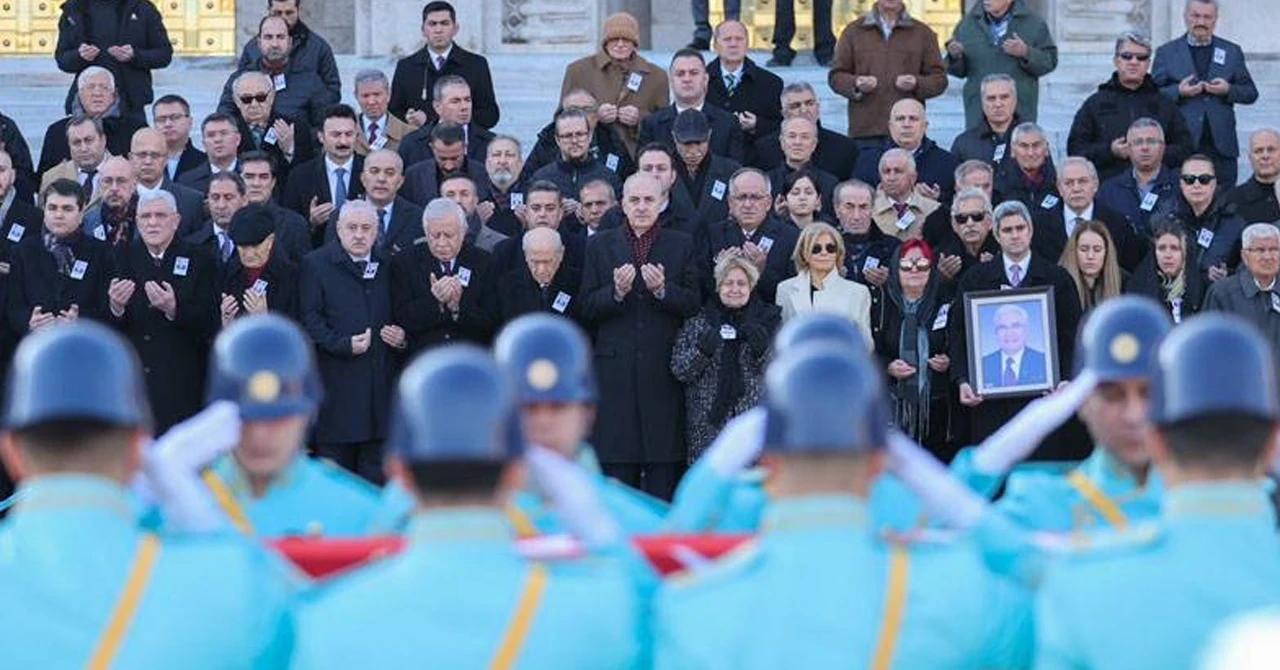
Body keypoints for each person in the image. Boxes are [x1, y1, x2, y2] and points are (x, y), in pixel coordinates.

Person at [654, 342, 1032, 669]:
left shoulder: (693, 610)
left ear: (766, 460)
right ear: (881, 461)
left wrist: (714, 469)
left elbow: (669, 550)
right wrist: (941, 486)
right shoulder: (957, 594)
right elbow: (1041, 581)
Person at [289, 345, 646, 668]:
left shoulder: (328, 619)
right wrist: (606, 537)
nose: (544, 421)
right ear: (516, 472)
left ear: (400, 474)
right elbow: (664, 623)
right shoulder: (599, 609)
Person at [0, 323, 294, 667]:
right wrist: (209, 530)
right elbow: (315, 631)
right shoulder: (226, 578)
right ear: (139, 450)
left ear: (10, 451)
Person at [1035, 315, 1280, 668]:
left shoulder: (1080, 583)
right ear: (1273, 444)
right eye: (1114, 395)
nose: (1132, 415)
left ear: (1156, 441)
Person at [992, 296, 1169, 535]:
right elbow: (931, 542)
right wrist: (989, 460)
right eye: (1113, 395)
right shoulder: (1041, 504)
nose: (1134, 416)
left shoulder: (1209, 501)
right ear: (1081, 401)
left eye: (1149, 393)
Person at [201, 314, 381, 536]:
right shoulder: (185, 504)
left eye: (278, 419)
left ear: (309, 413)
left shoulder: (363, 516)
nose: (259, 435)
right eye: (245, 419)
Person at [579, 174, 699, 500]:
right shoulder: (599, 245)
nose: (642, 207)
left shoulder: (681, 243)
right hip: (615, 372)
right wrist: (615, 293)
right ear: (623, 204)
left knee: (663, 467)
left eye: (649, 200)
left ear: (662, 203)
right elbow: (586, 305)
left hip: (662, 369)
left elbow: (694, 303)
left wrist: (663, 290)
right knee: (617, 474)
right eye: (635, 200)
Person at [498, 313, 670, 533]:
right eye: (528, 408)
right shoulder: (477, 524)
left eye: (558, 407)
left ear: (588, 414)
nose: (543, 421)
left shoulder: (641, 522)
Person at [949, 200, 1082, 451]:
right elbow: (958, 335)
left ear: (1030, 231)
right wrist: (963, 379)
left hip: (1042, 400)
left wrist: (1065, 378)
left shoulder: (1058, 279)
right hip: (990, 405)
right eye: (1007, 230)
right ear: (996, 235)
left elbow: (1071, 337)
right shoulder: (975, 279)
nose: (1015, 235)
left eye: (1020, 228)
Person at [300, 200, 404, 484]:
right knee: (336, 481)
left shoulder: (388, 263)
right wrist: (342, 344)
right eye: (352, 228)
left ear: (377, 231)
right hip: (336, 389)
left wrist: (402, 336)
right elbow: (310, 318)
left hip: (380, 391)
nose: (359, 235)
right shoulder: (316, 264)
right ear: (338, 230)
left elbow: (403, 310)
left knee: (377, 480)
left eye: (366, 228)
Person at [106, 190, 218, 434]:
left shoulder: (200, 258)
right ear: (137, 221)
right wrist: (116, 307)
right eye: (145, 216)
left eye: (160, 215)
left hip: (182, 381)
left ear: (176, 221)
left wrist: (174, 309)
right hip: (135, 382)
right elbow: (104, 326)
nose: (153, 222)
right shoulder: (119, 257)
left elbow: (211, 320)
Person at [672, 255, 781, 461]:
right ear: (718, 286)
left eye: (741, 283)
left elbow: (779, 374)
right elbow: (679, 370)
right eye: (728, 283)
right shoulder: (699, 322)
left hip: (751, 428)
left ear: (751, 286)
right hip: (707, 428)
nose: (735, 289)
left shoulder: (768, 321)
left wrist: (761, 352)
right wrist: (702, 352)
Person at [1152, 0, 1258, 188]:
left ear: (1215, 19)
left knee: (1224, 204)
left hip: (1221, 149)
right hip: (1181, 145)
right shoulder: (1166, 52)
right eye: (1196, 15)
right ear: (1185, 17)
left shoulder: (1231, 51)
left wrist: (1228, 90)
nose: (1201, 21)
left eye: (1207, 17)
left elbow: (1250, 93)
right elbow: (1152, 96)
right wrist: (1178, 91)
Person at [1067, 31, 1194, 180]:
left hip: (1158, 190)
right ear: (1116, 61)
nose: (1134, 62)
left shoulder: (1165, 103)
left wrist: (1154, 152)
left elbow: (1186, 149)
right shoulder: (1095, 104)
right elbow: (1075, 150)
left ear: (1148, 64)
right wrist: (1110, 151)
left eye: (1141, 58)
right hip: (1108, 189)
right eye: (1127, 56)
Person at [873, 239, 955, 457]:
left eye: (922, 265)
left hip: (936, 407)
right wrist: (888, 367)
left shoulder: (946, 302)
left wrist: (948, 361)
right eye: (907, 265)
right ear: (895, 268)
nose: (914, 270)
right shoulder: (881, 304)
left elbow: (958, 345)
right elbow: (871, 352)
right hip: (892, 408)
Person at [828, 0, 948, 145]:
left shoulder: (922, 33)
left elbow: (939, 79)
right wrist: (856, 84)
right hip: (865, 131)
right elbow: (836, 76)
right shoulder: (854, 31)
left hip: (907, 132)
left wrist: (916, 83)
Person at [390, 198, 496, 354]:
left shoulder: (483, 262)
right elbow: (402, 318)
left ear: (463, 232)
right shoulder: (405, 262)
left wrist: (457, 308)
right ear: (425, 233)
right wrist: (435, 301)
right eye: (435, 235)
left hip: (470, 358)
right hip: (423, 360)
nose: (442, 243)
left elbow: (491, 322)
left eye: (449, 235)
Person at [9, 179, 112, 336]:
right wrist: (29, 322)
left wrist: (81, 321)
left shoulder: (100, 252)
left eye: (67, 209)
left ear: (81, 212)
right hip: (35, 346)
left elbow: (106, 308)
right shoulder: (23, 251)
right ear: (43, 210)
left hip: (83, 344)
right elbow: (12, 305)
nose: (58, 215)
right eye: (52, 208)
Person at [560, 12, 669, 156]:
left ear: (635, 43)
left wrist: (640, 118)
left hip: (640, 157)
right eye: (614, 39)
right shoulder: (578, 71)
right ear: (605, 42)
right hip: (593, 157)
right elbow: (561, 118)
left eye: (626, 39)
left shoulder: (656, 76)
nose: (620, 44)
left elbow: (666, 122)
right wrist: (594, 116)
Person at [944, 0, 1057, 128]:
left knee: (1018, 145)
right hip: (978, 112)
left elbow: (1049, 61)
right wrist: (955, 56)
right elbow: (959, 71)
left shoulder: (1034, 24)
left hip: (1019, 111)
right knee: (976, 147)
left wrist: (1026, 52)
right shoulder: (967, 25)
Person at [389, 1, 499, 130]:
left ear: (455, 28)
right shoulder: (406, 67)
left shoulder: (476, 64)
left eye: (444, 23)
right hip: (419, 144)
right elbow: (394, 112)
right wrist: (409, 118)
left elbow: (490, 115)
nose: (438, 30)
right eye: (432, 24)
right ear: (423, 30)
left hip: (463, 144)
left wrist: (438, 121)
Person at [54, 0, 171, 116]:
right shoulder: (74, 8)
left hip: (130, 103)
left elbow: (164, 54)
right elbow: (62, 59)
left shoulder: (142, 7)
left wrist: (135, 55)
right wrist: (79, 56)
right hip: (87, 107)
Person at [702, 167, 799, 303]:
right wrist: (720, 271)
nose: (748, 204)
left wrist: (761, 271)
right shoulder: (713, 234)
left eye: (756, 197)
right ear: (730, 202)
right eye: (741, 197)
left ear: (768, 202)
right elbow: (701, 289)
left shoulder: (791, 237)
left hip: (772, 318)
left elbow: (792, 294)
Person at [1032, 155, 1144, 272]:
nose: (1076, 188)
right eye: (1069, 183)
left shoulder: (1117, 224)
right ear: (1059, 188)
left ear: (1095, 185)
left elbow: (1129, 268)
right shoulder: (1040, 226)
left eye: (1083, 181)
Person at [217, 16, 332, 127]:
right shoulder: (239, 79)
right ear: (259, 43)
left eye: (280, 37)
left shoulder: (310, 81)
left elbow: (325, 126)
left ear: (290, 42)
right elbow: (223, 121)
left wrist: (298, 138)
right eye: (268, 37)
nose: (274, 44)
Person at [1203, 223, 1280, 384]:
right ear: (1245, 256)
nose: (1267, 256)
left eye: (1274, 250)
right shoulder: (1222, 294)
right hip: (1240, 392)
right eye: (1259, 250)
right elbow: (1210, 350)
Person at [640, 49, 745, 165]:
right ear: (671, 80)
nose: (687, 79)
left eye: (694, 73)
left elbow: (735, 171)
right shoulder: (652, 125)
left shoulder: (728, 123)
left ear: (705, 79)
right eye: (680, 74)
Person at [281, 104, 366, 248]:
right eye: (336, 135)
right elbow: (288, 226)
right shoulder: (300, 175)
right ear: (321, 137)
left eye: (349, 134)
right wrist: (311, 222)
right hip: (318, 254)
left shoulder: (370, 169)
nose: (343, 142)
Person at [1153, 153, 1244, 285]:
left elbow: (1246, 272)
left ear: (1214, 183)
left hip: (1215, 300)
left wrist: (1228, 275)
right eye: (1189, 179)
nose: (1196, 185)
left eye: (1204, 179)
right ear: (1181, 184)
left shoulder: (1235, 225)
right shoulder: (1162, 220)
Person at [775, 222, 873, 345]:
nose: (824, 253)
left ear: (838, 253)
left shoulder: (858, 292)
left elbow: (866, 342)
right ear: (804, 254)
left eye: (830, 248)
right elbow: (782, 337)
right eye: (816, 249)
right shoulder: (785, 289)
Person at [39, 68, 147, 177]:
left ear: (113, 94)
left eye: (104, 88)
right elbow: (45, 180)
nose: (97, 93)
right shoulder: (57, 132)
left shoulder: (135, 130)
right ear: (80, 93)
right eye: (90, 87)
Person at [235, 0, 341, 110]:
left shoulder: (318, 48)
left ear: (298, 10)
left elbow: (332, 91)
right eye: (277, 13)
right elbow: (237, 89)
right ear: (269, 11)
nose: (283, 18)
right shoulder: (252, 48)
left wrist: (306, 120)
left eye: (289, 13)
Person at [854, 98, 959, 204]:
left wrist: (936, 200)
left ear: (925, 126)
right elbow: (855, 203)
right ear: (890, 126)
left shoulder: (947, 163)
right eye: (900, 119)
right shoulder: (868, 160)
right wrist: (879, 198)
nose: (906, 124)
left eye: (913, 119)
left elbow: (958, 207)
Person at [324, 149, 423, 255]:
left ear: (400, 181)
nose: (381, 179)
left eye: (390, 173)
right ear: (363, 178)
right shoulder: (341, 215)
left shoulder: (416, 216)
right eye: (374, 171)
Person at [1096, 117, 1184, 238]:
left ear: (1163, 148)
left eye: (1151, 141)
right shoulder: (1109, 190)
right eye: (1138, 142)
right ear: (1128, 149)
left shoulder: (1181, 185)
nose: (1145, 148)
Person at [751, 82, 858, 179]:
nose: (804, 110)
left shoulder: (845, 147)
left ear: (817, 107)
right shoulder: (763, 148)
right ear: (783, 113)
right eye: (795, 106)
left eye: (809, 103)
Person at [524, 89, 634, 182]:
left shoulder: (612, 141)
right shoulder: (548, 141)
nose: (581, 115)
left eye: (587, 110)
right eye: (573, 110)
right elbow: (524, 182)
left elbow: (629, 180)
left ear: (596, 117)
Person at [705, 20, 783, 148]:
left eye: (739, 39)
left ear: (747, 44)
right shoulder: (701, 79)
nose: (733, 44)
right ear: (715, 45)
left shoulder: (771, 83)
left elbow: (782, 126)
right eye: (727, 39)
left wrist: (757, 125)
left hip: (755, 158)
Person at [227, 70, 315, 182]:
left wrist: (289, 150)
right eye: (246, 99)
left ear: (272, 96)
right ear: (236, 101)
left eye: (261, 97)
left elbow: (308, 172)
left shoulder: (295, 126)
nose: (254, 104)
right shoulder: (228, 130)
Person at [219, 202, 300, 323]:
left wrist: (265, 320)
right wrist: (226, 324)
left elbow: (298, 333)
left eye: (256, 246)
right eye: (243, 246)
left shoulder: (292, 277)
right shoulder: (226, 273)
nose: (249, 254)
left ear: (270, 241)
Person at [397, 75, 495, 167]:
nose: (464, 107)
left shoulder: (491, 143)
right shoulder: (412, 144)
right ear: (437, 107)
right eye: (455, 101)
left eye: (467, 100)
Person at [235, 151, 313, 263]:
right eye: (249, 177)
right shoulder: (227, 219)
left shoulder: (294, 224)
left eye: (263, 177)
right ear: (238, 181)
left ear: (273, 183)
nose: (256, 183)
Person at [668, 114, 741, 233]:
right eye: (686, 144)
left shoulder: (731, 171)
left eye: (699, 143)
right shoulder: (659, 172)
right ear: (674, 137)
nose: (693, 151)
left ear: (710, 135)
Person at [128, 128, 205, 238]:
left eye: (155, 155)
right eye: (142, 155)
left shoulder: (192, 201)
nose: (148, 161)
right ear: (131, 159)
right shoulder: (120, 200)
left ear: (166, 159)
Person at [495, 227, 582, 323]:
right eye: (535, 262)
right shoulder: (507, 286)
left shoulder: (579, 283)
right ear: (526, 255)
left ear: (561, 254)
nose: (541, 270)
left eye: (548, 262)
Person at [531, 110, 621, 200]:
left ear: (590, 137)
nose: (574, 141)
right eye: (567, 135)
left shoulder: (609, 178)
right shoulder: (541, 178)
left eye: (580, 134)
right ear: (557, 140)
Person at [1125, 222, 1203, 324]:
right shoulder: (1138, 289)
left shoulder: (1201, 290)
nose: (1168, 255)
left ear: (1185, 253)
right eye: (1162, 248)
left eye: (1174, 248)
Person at [400, 123, 490, 206]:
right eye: (442, 159)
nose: (449, 166)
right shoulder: (414, 176)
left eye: (455, 158)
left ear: (465, 147)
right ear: (432, 148)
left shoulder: (484, 174)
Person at [766, 117, 840, 215]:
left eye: (804, 137)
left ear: (814, 144)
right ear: (782, 142)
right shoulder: (767, 183)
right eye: (792, 136)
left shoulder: (830, 183)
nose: (798, 142)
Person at [834, 179, 900, 285]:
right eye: (849, 207)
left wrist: (891, 281)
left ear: (873, 210)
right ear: (837, 210)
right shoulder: (822, 247)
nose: (857, 216)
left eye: (863, 207)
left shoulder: (894, 248)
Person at [870, 148, 945, 242]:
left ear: (913, 177)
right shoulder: (869, 210)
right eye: (886, 171)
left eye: (898, 171)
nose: (891, 178)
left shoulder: (934, 209)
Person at [950, 74, 1023, 166]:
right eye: (991, 98)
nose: (998, 104)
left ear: (1015, 100)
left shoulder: (1033, 139)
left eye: (1004, 97)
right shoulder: (964, 143)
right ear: (982, 102)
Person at [40, 115, 110, 206]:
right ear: (69, 145)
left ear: (103, 140)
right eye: (76, 142)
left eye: (88, 140)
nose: (83, 148)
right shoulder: (52, 177)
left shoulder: (125, 171)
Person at [1060, 220, 1125, 314]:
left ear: (1106, 252)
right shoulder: (1059, 284)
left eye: (1097, 250)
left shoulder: (1123, 283)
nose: (1090, 256)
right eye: (1084, 249)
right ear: (1073, 251)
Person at [936, 186, 999, 282]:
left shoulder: (1003, 251)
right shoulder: (944, 256)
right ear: (954, 225)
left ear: (990, 222)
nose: (969, 224)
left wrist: (998, 270)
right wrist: (941, 278)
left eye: (977, 216)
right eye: (962, 218)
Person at [980, 303, 1047, 388]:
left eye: (1016, 326)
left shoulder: (1043, 361)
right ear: (995, 333)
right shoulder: (983, 364)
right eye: (1002, 327)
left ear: (1026, 330)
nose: (1009, 333)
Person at [994, 121, 1058, 211]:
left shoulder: (1059, 185)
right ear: (1012, 151)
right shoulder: (999, 188)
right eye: (1024, 146)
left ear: (1046, 148)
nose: (1030, 153)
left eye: (1036, 145)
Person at [176, 113, 243, 194]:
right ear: (204, 143)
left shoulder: (251, 175)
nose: (217, 139)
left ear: (238, 139)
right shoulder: (187, 182)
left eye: (224, 133)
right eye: (211, 135)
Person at [440, 174, 508, 253]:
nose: (458, 200)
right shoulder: (425, 245)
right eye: (450, 195)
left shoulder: (502, 244)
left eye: (464, 194)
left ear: (476, 200)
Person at [80, 156, 137, 248]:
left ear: (134, 185)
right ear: (99, 185)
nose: (114, 188)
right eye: (108, 181)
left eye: (121, 181)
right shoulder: (86, 222)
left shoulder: (148, 218)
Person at [1226, 129, 1280, 224]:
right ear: (1250, 158)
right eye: (1258, 151)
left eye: (1271, 150)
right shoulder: (1232, 200)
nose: (1265, 156)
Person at [351, 69, 410, 156]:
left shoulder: (408, 133)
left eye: (377, 94)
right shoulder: (343, 131)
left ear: (388, 94)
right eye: (365, 96)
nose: (371, 101)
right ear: (356, 96)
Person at [152, 94, 206, 181]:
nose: (168, 124)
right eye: (161, 119)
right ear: (154, 125)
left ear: (190, 121)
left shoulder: (205, 163)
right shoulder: (145, 163)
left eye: (175, 117)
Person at [481, 135, 526, 237]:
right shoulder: (474, 197)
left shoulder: (534, 197)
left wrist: (531, 226)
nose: (502, 161)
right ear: (487, 163)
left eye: (509, 155)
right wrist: (475, 223)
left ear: (520, 164)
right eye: (496, 155)